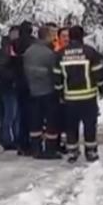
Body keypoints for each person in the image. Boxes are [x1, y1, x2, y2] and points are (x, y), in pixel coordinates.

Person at [53, 26, 103, 163]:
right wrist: (101, 89)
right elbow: (98, 73)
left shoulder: (61, 54)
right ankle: (91, 151)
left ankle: (72, 151)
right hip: (88, 97)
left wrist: (60, 93)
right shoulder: (90, 52)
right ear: (82, 36)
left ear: (70, 37)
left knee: (71, 126)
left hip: (70, 98)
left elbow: (57, 77)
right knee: (90, 125)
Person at [24, 25, 63, 160]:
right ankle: (50, 149)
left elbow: (26, 71)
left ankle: (36, 148)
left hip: (32, 91)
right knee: (51, 121)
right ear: (46, 36)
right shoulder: (49, 54)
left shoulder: (28, 52)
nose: (54, 38)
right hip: (48, 91)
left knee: (35, 121)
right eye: (52, 35)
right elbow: (54, 73)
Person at [0, 27, 21, 150]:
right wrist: (14, 77)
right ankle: (6, 139)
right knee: (10, 114)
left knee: (14, 114)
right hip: (8, 86)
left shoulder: (12, 48)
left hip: (11, 86)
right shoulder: (6, 50)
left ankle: (14, 137)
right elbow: (1, 68)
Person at [14, 21, 36, 155]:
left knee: (21, 114)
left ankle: (22, 144)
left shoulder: (14, 44)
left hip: (18, 82)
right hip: (32, 82)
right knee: (33, 114)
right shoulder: (34, 44)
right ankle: (32, 143)